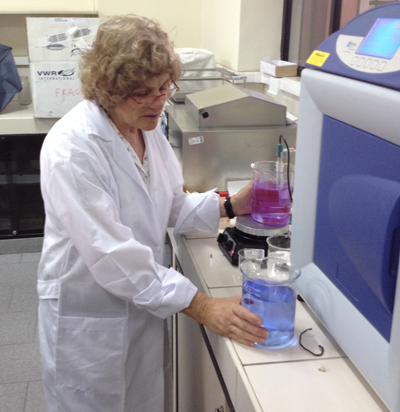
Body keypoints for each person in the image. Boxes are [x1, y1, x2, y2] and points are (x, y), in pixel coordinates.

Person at [37, 14, 268, 412]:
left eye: (164, 87)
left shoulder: (147, 129)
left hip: (139, 302)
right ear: (107, 88)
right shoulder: (72, 149)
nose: (159, 101)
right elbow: (112, 255)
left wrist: (232, 205)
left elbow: (169, 202)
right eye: (142, 92)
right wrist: (204, 306)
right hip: (90, 315)